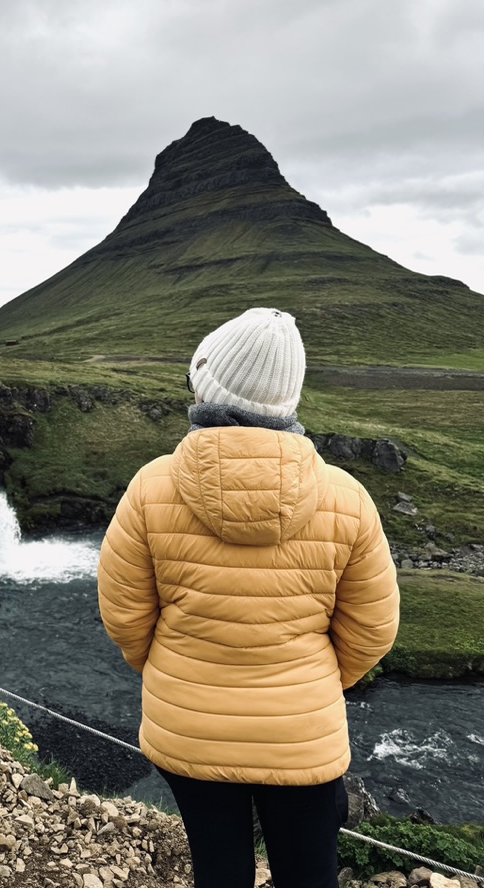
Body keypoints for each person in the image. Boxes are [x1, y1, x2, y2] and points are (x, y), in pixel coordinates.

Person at [97, 307, 400, 888]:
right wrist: (308, 686)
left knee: (219, 872)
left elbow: (124, 613)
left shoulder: (150, 485)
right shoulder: (348, 497)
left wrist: (170, 669)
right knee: (310, 876)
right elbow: (373, 629)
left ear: (207, 387)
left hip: (188, 726)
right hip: (302, 737)